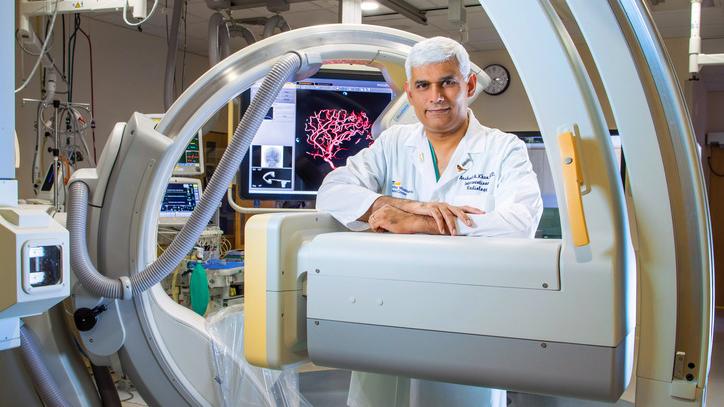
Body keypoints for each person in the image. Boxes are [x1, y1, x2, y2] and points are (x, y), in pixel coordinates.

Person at [316, 36, 543, 407]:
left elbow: (520, 222)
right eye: (423, 85)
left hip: (470, 319)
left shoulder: (503, 149)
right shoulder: (394, 143)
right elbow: (331, 191)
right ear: (410, 93)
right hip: (387, 311)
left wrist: (416, 224)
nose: (435, 95)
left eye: (447, 82)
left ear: (469, 85)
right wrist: (401, 205)